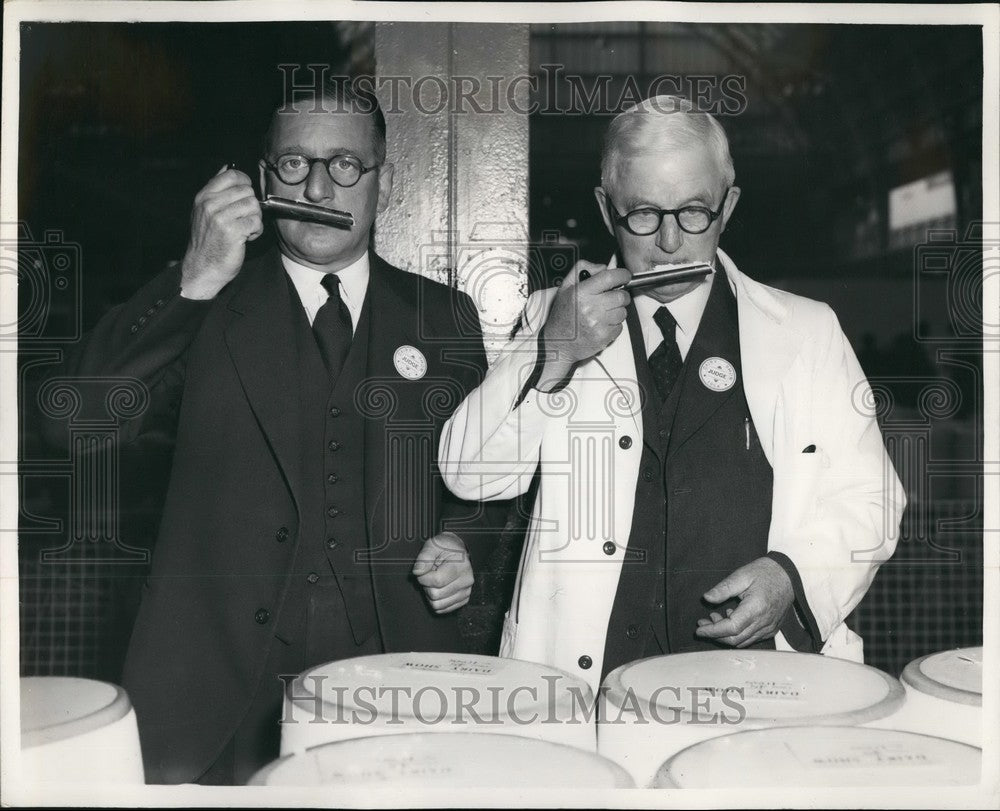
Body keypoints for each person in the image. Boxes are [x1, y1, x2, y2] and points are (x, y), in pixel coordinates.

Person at [45, 82, 495, 784]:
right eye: (293, 164)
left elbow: (486, 480)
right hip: (217, 696)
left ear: (383, 182)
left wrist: (465, 543)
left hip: (398, 681)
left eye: (345, 164)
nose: (317, 187)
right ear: (263, 179)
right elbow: (73, 426)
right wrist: (194, 279)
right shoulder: (204, 303)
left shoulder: (444, 317)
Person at [438, 96, 906, 694]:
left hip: (759, 684)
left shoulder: (807, 332)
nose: (668, 242)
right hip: (591, 684)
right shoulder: (550, 317)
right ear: (606, 209)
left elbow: (871, 498)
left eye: (693, 212)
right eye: (642, 213)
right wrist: (555, 353)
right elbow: (471, 475)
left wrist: (791, 577)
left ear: (727, 207)